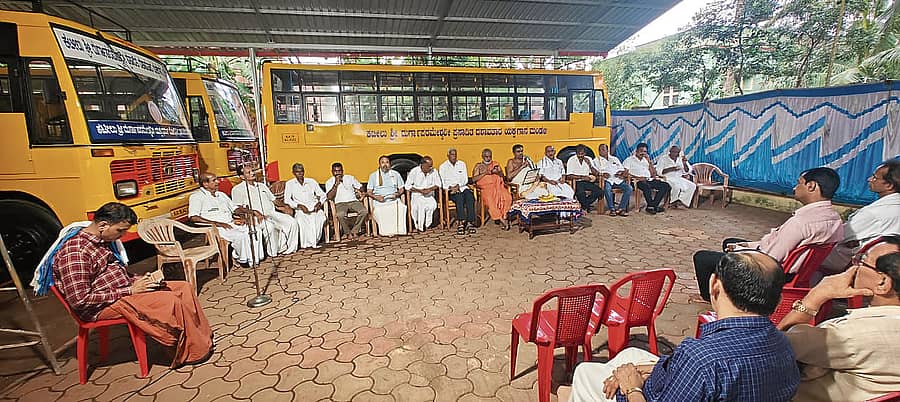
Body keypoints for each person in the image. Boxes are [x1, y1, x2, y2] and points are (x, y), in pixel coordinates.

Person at [564, 250, 800, 401]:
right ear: (778, 300)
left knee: (585, 373)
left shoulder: (701, 358)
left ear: (714, 286)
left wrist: (632, 386)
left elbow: (702, 369)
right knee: (630, 354)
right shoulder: (784, 343)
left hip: (642, 396)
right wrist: (657, 368)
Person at [52, 202, 212, 368]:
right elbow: (80, 300)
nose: (122, 236)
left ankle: (200, 339)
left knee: (183, 287)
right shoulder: (74, 252)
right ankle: (190, 352)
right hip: (101, 306)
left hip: (124, 289)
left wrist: (141, 280)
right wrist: (130, 290)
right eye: (120, 230)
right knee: (170, 300)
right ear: (102, 225)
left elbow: (112, 274)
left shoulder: (100, 240)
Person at [692, 167, 844, 301]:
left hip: (772, 274)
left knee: (702, 258)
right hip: (800, 271)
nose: (795, 187)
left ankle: (711, 298)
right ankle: (731, 285)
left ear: (811, 186)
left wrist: (741, 251)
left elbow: (769, 259)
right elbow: (779, 243)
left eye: (800, 183)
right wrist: (749, 245)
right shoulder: (835, 219)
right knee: (730, 241)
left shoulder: (801, 222)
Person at [778, 237, 900, 401]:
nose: (854, 267)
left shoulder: (850, 335)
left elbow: (773, 347)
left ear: (883, 282)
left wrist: (815, 296)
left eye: (862, 261)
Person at [822, 160, 900, 272]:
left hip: (863, 263)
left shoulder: (874, 212)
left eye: (875, 177)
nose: (869, 179)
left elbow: (839, 235)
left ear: (889, 185)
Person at [189, 173, 262, 265]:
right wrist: (218, 223)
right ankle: (241, 258)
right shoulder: (196, 197)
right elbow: (194, 217)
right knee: (241, 236)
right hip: (215, 228)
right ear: (205, 184)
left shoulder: (221, 195)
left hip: (231, 223)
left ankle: (253, 258)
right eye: (214, 180)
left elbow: (235, 208)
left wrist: (245, 215)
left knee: (256, 230)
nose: (218, 182)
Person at [231, 165, 299, 256]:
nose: (253, 173)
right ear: (242, 177)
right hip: (255, 217)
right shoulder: (237, 189)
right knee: (269, 227)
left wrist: (286, 206)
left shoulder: (262, 186)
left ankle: (290, 249)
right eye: (249, 172)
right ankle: (273, 253)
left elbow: (274, 200)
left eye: (252, 171)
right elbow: (237, 208)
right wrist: (253, 212)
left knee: (292, 222)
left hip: (271, 213)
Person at [284, 163, 326, 249]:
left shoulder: (311, 181)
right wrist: (299, 205)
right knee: (301, 219)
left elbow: (322, 195)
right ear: (293, 173)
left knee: (321, 217)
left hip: (314, 208)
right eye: (297, 172)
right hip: (301, 210)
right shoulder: (290, 184)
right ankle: (307, 243)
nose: (300, 174)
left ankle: (315, 241)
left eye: (301, 172)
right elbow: (287, 200)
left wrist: (319, 203)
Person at [325, 162, 368, 241]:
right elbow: (329, 197)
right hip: (340, 203)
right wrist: (335, 185)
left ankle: (354, 231)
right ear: (332, 172)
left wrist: (361, 192)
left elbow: (360, 186)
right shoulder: (329, 182)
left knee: (364, 211)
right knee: (340, 214)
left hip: (353, 201)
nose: (338, 173)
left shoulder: (350, 178)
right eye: (335, 171)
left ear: (342, 171)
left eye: (339, 171)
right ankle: (347, 232)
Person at [622, 143, 670, 214]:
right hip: (636, 181)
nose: (643, 153)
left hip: (648, 179)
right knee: (646, 186)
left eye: (645, 152)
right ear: (636, 151)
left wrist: (649, 162)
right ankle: (653, 207)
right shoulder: (629, 160)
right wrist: (638, 177)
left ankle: (652, 206)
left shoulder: (646, 160)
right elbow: (625, 173)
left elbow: (653, 173)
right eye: (641, 151)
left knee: (665, 185)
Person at [367, 155, 407, 236]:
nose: (385, 165)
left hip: (393, 200)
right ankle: (386, 232)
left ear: (390, 164)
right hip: (380, 201)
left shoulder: (395, 174)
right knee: (381, 211)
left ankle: (399, 231)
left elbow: (402, 188)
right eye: (383, 163)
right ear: (379, 164)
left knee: (401, 208)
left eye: (387, 162)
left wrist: (398, 194)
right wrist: (376, 197)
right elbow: (369, 192)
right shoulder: (373, 175)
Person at [440, 148, 477, 235]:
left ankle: (470, 222)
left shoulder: (462, 164)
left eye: (455, 155)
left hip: (462, 187)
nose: (454, 157)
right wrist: (450, 187)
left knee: (470, 197)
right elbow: (442, 182)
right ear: (448, 156)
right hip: (451, 190)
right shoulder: (443, 166)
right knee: (459, 197)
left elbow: (465, 179)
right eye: (452, 155)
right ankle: (461, 221)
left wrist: (458, 186)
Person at [473, 148, 512, 229]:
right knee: (491, 201)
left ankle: (504, 215)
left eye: (490, 156)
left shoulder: (495, 164)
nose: (488, 158)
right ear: (482, 156)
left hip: (498, 186)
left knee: (507, 197)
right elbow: (474, 179)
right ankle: (502, 220)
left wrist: (498, 172)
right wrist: (485, 173)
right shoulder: (478, 166)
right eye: (486, 156)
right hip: (486, 189)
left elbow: (502, 175)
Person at [592, 144, 632, 216]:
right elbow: (596, 171)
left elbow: (621, 169)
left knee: (629, 188)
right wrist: (602, 174)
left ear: (607, 150)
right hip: (606, 179)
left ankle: (621, 209)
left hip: (617, 179)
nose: (601, 151)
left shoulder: (614, 159)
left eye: (603, 149)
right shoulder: (596, 160)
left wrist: (620, 172)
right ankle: (612, 209)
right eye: (600, 150)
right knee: (607, 189)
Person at [405, 156, 441, 232]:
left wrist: (429, 189)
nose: (431, 168)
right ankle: (420, 225)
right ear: (423, 165)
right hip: (417, 195)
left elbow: (438, 184)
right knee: (420, 205)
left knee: (432, 205)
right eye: (429, 166)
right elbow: (407, 186)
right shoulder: (414, 171)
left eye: (431, 166)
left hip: (429, 195)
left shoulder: (434, 171)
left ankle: (426, 224)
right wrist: (420, 190)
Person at [566, 144, 602, 211]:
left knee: (599, 191)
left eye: (582, 153)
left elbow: (596, 173)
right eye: (578, 153)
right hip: (576, 181)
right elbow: (569, 175)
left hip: (586, 181)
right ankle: (586, 206)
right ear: (576, 153)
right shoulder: (572, 160)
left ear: (585, 153)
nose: (580, 155)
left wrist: (590, 165)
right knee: (581, 193)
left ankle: (585, 205)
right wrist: (582, 177)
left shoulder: (589, 159)